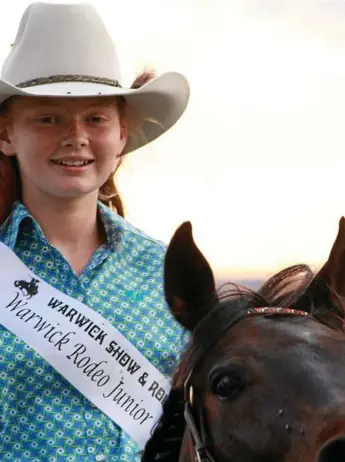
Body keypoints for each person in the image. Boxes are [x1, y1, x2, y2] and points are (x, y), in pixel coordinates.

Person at [0, 2, 190, 461]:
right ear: (5, 134)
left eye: (96, 118)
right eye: (48, 118)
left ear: (122, 132)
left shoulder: (167, 273)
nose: (76, 136)